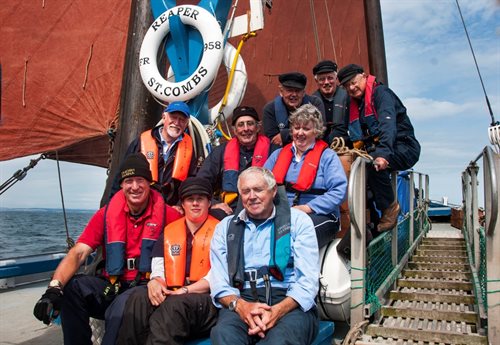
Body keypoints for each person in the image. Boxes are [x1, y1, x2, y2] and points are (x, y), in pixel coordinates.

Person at [33, 153, 182, 345]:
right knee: (74, 289)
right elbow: (78, 253)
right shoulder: (105, 215)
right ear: (121, 185)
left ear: (149, 183)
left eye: (140, 180)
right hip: (114, 285)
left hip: (146, 289)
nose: (135, 187)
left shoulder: (168, 215)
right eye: (129, 181)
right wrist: (53, 289)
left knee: (120, 309)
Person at [209, 167, 320, 345]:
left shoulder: (299, 221)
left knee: (279, 341)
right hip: (242, 301)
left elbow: (308, 282)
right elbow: (219, 283)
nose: (252, 196)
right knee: (223, 335)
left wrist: (277, 311)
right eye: (246, 191)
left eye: (258, 189)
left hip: (288, 301)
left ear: (273, 191)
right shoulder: (224, 228)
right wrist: (241, 307)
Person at [116, 177, 219, 345]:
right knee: (138, 299)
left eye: (200, 199)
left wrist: (185, 290)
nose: (195, 203)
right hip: (173, 291)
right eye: (189, 199)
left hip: (206, 298)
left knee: (174, 306)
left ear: (209, 203)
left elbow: (217, 275)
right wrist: (155, 282)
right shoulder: (169, 233)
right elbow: (158, 268)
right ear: (183, 204)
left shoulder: (221, 232)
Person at [337, 63, 420, 232]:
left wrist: (383, 154)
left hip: (403, 146)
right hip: (374, 149)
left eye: (354, 82)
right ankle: (372, 224)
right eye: (347, 86)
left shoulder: (381, 94)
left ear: (364, 75)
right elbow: (346, 130)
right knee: (356, 173)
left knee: (371, 164)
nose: (352, 88)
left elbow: (387, 125)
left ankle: (390, 209)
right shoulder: (352, 103)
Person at [264, 104, 347, 248]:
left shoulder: (328, 157)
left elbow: (340, 191)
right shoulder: (277, 155)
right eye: (297, 128)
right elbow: (260, 182)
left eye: (306, 129)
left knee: (299, 234)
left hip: (320, 214)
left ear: (316, 131)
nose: (300, 133)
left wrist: (307, 208)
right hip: (283, 213)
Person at [197, 106, 279, 220]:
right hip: (230, 210)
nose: (246, 129)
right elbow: (201, 183)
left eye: (250, 123)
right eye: (241, 125)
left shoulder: (274, 151)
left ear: (258, 127)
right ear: (234, 130)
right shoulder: (220, 152)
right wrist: (214, 203)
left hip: (263, 208)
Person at [110, 101, 198, 206]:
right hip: (141, 205)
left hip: (171, 208)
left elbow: (192, 181)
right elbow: (122, 174)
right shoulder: (140, 142)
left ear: (186, 123)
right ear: (164, 117)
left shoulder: (190, 149)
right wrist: (111, 205)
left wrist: (180, 205)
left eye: (182, 120)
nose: (177, 122)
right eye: (173, 117)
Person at [263, 72, 325, 147]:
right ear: (281, 91)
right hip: (281, 151)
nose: (294, 94)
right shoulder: (270, 109)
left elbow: (320, 131)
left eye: (298, 91)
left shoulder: (315, 103)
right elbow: (275, 140)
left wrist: (284, 135)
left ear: (303, 92)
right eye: (289, 90)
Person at [312, 60, 350, 145]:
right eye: (322, 79)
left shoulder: (348, 98)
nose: (326, 82)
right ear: (316, 81)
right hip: (319, 146)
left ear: (336, 79)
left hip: (346, 146)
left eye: (330, 78)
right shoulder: (311, 103)